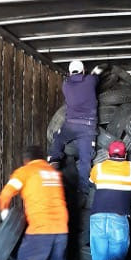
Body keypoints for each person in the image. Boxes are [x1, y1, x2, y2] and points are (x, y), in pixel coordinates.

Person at [48, 60, 104, 202]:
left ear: (69, 72)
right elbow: (97, 75)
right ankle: (83, 190)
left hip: (70, 125)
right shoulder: (90, 81)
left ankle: (54, 159)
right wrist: (97, 70)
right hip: (87, 127)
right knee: (85, 159)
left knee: (58, 138)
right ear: (83, 71)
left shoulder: (65, 85)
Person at [89, 141, 131, 260]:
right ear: (125, 154)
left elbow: (91, 182)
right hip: (118, 218)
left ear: (108, 154)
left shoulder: (98, 168)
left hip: (97, 217)